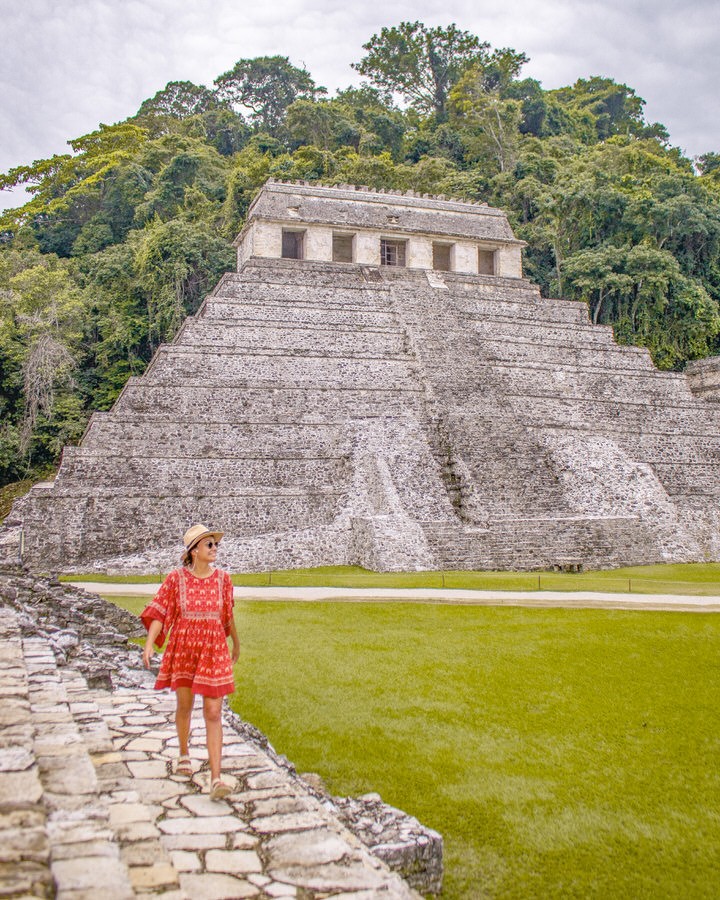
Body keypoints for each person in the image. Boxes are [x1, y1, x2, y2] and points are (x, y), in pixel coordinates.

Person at [141, 524, 239, 800]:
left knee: (213, 712)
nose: (214, 548)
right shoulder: (176, 579)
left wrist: (236, 644)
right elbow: (161, 611)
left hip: (213, 649)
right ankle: (184, 753)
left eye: (215, 544)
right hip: (184, 647)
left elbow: (227, 616)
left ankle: (216, 777)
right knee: (184, 705)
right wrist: (149, 644)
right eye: (209, 544)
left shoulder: (223, 579)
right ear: (194, 550)